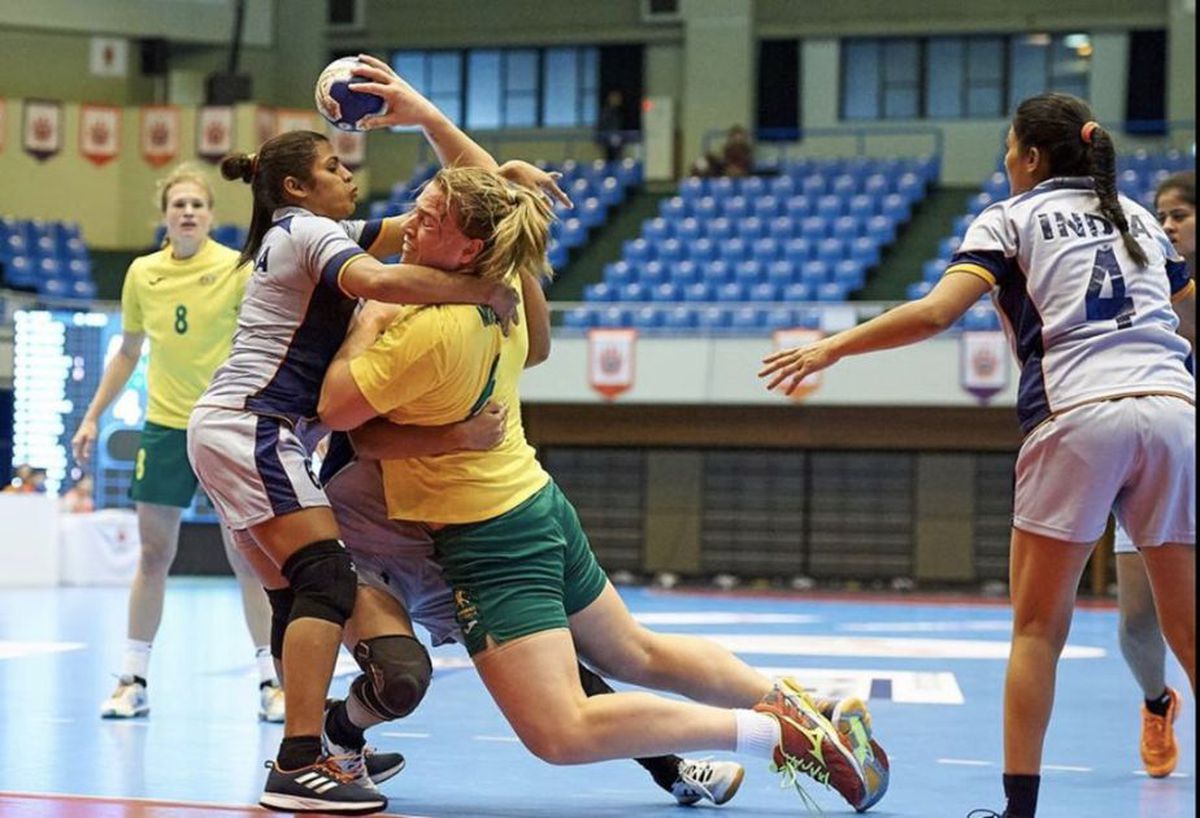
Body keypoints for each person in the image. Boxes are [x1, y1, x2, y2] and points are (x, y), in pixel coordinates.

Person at [317, 163, 890, 814]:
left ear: (468, 247)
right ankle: (809, 707)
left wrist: (368, 317)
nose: (411, 223)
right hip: (533, 503)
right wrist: (433, 125)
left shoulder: (427, 326)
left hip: (486, 537)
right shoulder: (498, 282)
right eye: (415, 207)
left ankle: (777, 735)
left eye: (429, 218)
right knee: (637, 652)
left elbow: (337, 411)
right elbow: (501, 214)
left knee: (560, 732)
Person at [760, 94, 1195, 818]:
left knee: (1036, 629)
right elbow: (1185, 301)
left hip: (1079, 415)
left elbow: (935, 313)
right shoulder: (1141, 217)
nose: (1004, 160)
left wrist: (831, 344)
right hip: (1174, 412)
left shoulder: (1010, 217)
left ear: (1029, 157)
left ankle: (1019, 811)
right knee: (1188, 627)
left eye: (1007, 148)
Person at [185, 53, 537, 815]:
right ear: (296, 187)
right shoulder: (306, 231)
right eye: (334, 167)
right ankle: (299, 761)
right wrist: (480, 291)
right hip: (253, 424)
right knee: (326, 579)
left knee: (300, 594)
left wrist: (508, 184)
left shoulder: (321, 226)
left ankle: (312, 744)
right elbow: (383, 279)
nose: (352, 175)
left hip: (251, 429)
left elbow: (444, 223)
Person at [69, 165, 283, 723]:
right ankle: (132, 679)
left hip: (224, 425)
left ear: (211, 215)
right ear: (164, 214)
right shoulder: (142, 273)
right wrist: (93, 417)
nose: (187, 211)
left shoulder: (236, 268)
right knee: (153, 554)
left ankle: (272, 683)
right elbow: (127, 352)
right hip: (165, 427)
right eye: (178, 204)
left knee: (248, 557)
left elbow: (262, 342)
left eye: (197, 204)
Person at [1110, 169, 1195, 779]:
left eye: (1180, 214)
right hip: (1156, 454)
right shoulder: (1144, 283)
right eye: (1161, 215)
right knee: (1139, 618)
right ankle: (1156, 701)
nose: (1167, 225)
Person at [595, 90, 626, 162]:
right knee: (609, 159)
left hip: (616, 139)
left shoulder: (618, 112)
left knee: (617, 159)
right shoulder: (606, 112)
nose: (619, 100)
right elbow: (603, 125)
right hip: (608, 140)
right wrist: (611, 136)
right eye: (616, 98)